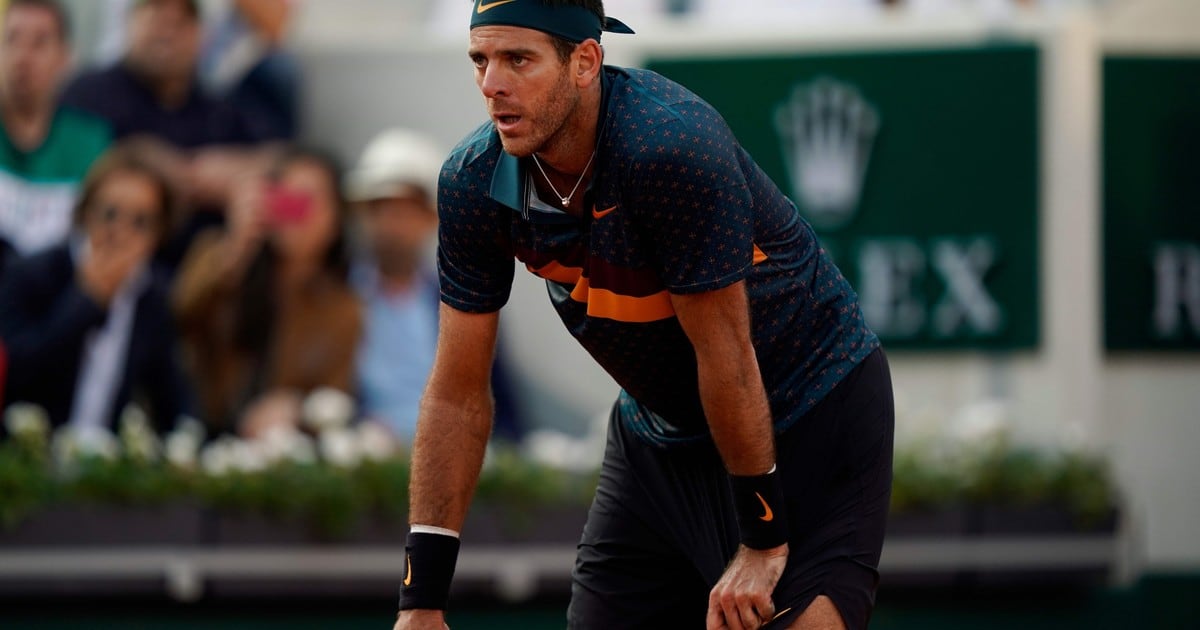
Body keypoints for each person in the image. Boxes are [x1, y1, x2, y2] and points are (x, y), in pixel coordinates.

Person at [394, 2, 894, 630]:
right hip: (658, 437)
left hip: (808, 409)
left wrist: (764, 542)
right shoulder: (472, 182)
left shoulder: (669, 147)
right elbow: (457, 393)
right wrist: (421, 601)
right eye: (480, 60)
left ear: (585, 61)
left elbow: (726, 354)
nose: (492, 83)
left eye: (518, 59)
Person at [346, 128, 522, 444]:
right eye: (380, 210)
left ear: (430, 218)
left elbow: (501, 406)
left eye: (404, 212)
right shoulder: (337, 295)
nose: (391, 225)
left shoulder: (465, 300)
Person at [0, 145, 192, 434]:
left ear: (160, 232)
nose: (121, 233)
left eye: (140, 222)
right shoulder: (34, 274)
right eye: (110, 214)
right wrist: (84, 301)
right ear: (86, 211)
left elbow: (172, 396)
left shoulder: (153, 296)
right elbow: (15, 373)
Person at [172, 146, 362, 438]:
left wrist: (298, 409)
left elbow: (336, 400)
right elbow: (180, 316)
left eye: (307, 201)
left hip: (280, 449)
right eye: (286, 199)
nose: (295, 213)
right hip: (197, 432)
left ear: (336, 219)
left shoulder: (344, 309)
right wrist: (234, 255)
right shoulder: (217, 254)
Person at [0, 0, 111, 276]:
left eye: (39, 43)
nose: (22, 56)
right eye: (11, 39)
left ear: (65, 57)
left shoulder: (92, 142)